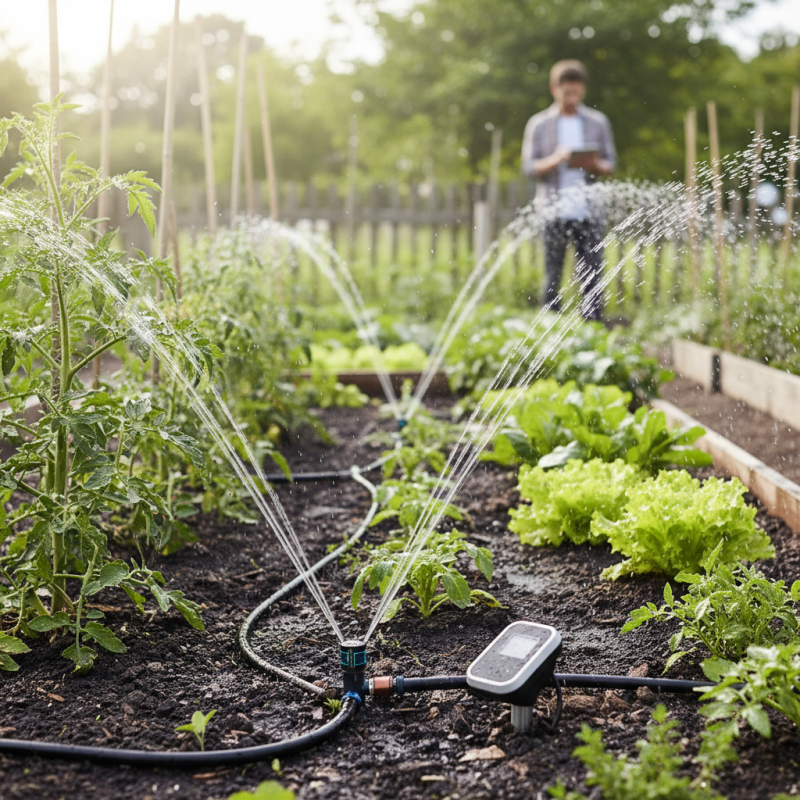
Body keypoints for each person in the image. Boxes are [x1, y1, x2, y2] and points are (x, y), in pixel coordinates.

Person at [521, 59, 616, 320]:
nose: (572, 97)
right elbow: (528, 167)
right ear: (555, 89)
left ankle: (592, 330)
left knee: (592, 276)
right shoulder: (539, 124)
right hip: (553, 212)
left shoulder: (598, 122)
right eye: (567, 92)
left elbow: (610, 164)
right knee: (552, 276)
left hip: (589, 212)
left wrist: (594, 164)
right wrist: (556, 159)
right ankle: (549, 330)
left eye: (577, 91)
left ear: (583, 89)